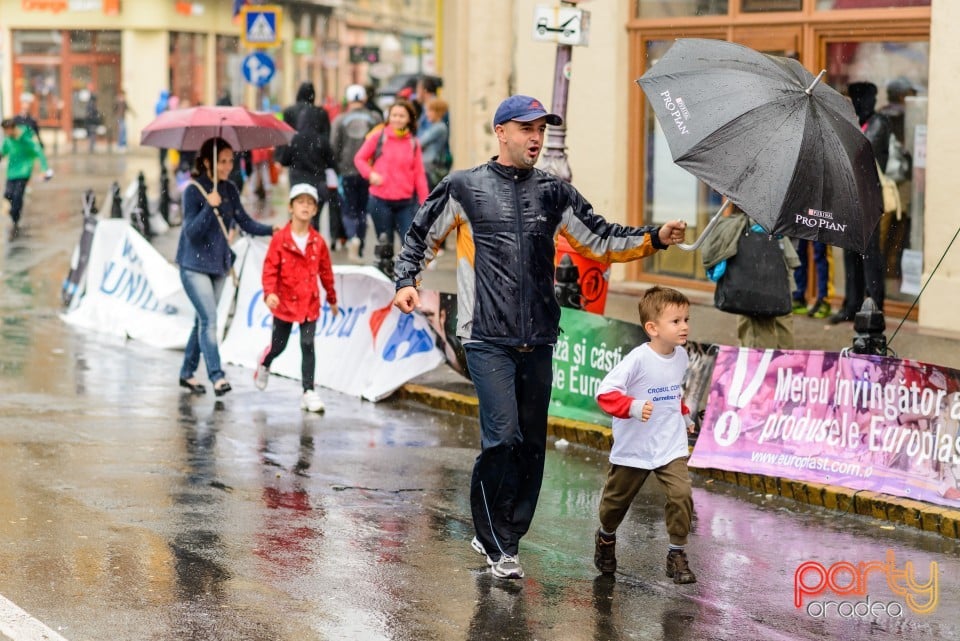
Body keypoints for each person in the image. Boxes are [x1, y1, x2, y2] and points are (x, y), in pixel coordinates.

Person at [392, 94, 688, 580]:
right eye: (527, 129)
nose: (536, 139)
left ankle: (508, 536)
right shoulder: (464, 187)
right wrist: (407, 281)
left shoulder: (554, 193)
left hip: (539, 337)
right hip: (485, 336)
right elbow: (421, 236)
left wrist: (655, 237)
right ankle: (492, 539)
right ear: (501, 132)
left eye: (542, 130)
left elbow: (600, 237)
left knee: (531, 445)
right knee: (502, 437)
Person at [592, 286, 697, 584]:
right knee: (614, 506)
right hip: (634, 446)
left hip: (669, 443)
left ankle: (676, 554)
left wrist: (685, 414)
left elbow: (674, 391)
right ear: (652, 328)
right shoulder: (637, 359)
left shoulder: (681, 357)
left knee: (681, 495)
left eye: (686, 319)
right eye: (676, 321)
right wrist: (633, 407)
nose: (685, 326)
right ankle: (606, 538)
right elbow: (605, 394)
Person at [176, 137, 277, 397]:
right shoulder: (193, 190)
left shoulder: (230, 189)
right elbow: (191, 233)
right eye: (222, 161)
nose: (228, 166)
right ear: (208, 162)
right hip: (193, 265)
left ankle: (187, 373)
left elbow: (245, 222)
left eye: (231, 160)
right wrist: (210, 207)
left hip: (218, 265)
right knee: (210, 320)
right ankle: (217, 377)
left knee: (202, 320)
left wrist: (273, 230)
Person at [255, 183, 338, 413]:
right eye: (301, 202)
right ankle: (265, 362)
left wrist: (332, 298)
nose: (305, 206)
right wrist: (269, 293)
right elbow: (269, 269)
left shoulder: (318, 242)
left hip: (309, 302)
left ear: (315, 211)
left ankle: (308, 391)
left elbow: (326, 272)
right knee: (279, 346)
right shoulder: (280, 239)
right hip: (284, 302)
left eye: (310, 203)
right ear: (291, 207)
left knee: (307, 344)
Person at [829, 81, 889, 324]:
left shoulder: (878, 124)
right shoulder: (857, 123)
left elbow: (862, 149)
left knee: (870, 255)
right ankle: (851, 305)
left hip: (870, 197)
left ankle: (874, 305)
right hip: (851, 197)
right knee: (850, 253)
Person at [701, 204, 798, 349]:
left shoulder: (753, 204)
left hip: (757, 275)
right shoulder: (787, 197)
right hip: (780, 268)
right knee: (781, 321)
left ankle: (761, 368)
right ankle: (783, 366)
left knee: (757, 329)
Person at [354, 99, 428, 250]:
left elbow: (419, 174)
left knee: (409, 246)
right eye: (394, 115)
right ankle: (385, 272)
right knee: (384, 245)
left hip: (406, 203)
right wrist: (370, 174)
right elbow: (359, 159)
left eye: (401, 116)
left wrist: (425, 202)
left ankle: (406, 274)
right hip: (380, 201)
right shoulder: (379, 137)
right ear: (389, 117)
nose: (397, 119)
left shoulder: (413, 143)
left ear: (409, 119)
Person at [331, 84, 382, 261]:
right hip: (369, 171)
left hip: (346, 171)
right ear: (364, 99)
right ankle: (359, 242)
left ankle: (353, 237)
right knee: (362, 209)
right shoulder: (374, 118)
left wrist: (338, 165)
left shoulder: (339, 120)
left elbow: (334, 145)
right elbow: (380, 144)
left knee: (349, 209)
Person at [277, 107, 336, 234]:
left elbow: (284, 160)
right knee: (315, 219)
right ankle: (313, 246)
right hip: (318, 185)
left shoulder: (295, 139)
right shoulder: (322, 140)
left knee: (298, 220)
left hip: (298, 186)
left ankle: (300, 246)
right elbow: (332, 163)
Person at [1, 118, 53, 240]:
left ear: (12, 128)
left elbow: (38, 151)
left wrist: (44, 168)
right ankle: (13, 213)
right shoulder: (8, 140)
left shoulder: (25, 138)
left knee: (17, 196)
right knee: (8, 194)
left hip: (24, 171)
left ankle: (15, 218)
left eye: (7, 130)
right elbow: (2, 152)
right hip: (11, 172)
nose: (6, 133)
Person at [418, 98, 452, 192]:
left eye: (429, 111)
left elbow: (420, 142)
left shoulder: (439, 128)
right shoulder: (435, 126)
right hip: (428, 167)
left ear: (437, 112)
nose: (427, 114)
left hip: (430, 168)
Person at [791, 238, 831, 319]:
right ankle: (799, 298)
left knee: (821, 254)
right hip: (801, 225)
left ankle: (823, 299)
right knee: (799, 253)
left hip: (821, 226)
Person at [113, 88, 133, 152]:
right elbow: (114, 108)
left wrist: (133, 114)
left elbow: (128, 108)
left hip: (123, 117)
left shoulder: (124, 101)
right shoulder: (117, 100)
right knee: (121, 131)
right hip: (119, 118)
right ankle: (120, 145)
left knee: (124, 130)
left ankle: (123, 144)